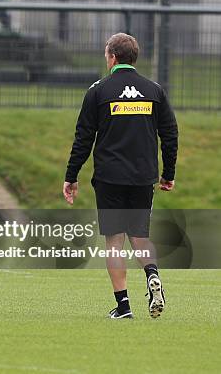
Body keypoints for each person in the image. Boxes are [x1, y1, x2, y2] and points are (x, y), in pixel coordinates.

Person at [63, 33, 178, 319]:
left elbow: (83, 138)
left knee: (114, 241)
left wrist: (71, 175)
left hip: (109, 177)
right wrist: (168, 173)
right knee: (139, 235)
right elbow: (170, 134)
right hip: (143, 176)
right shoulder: (154, 91)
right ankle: (152, 273)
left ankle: (124, 306)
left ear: (112, 57)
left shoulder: (98, 91)